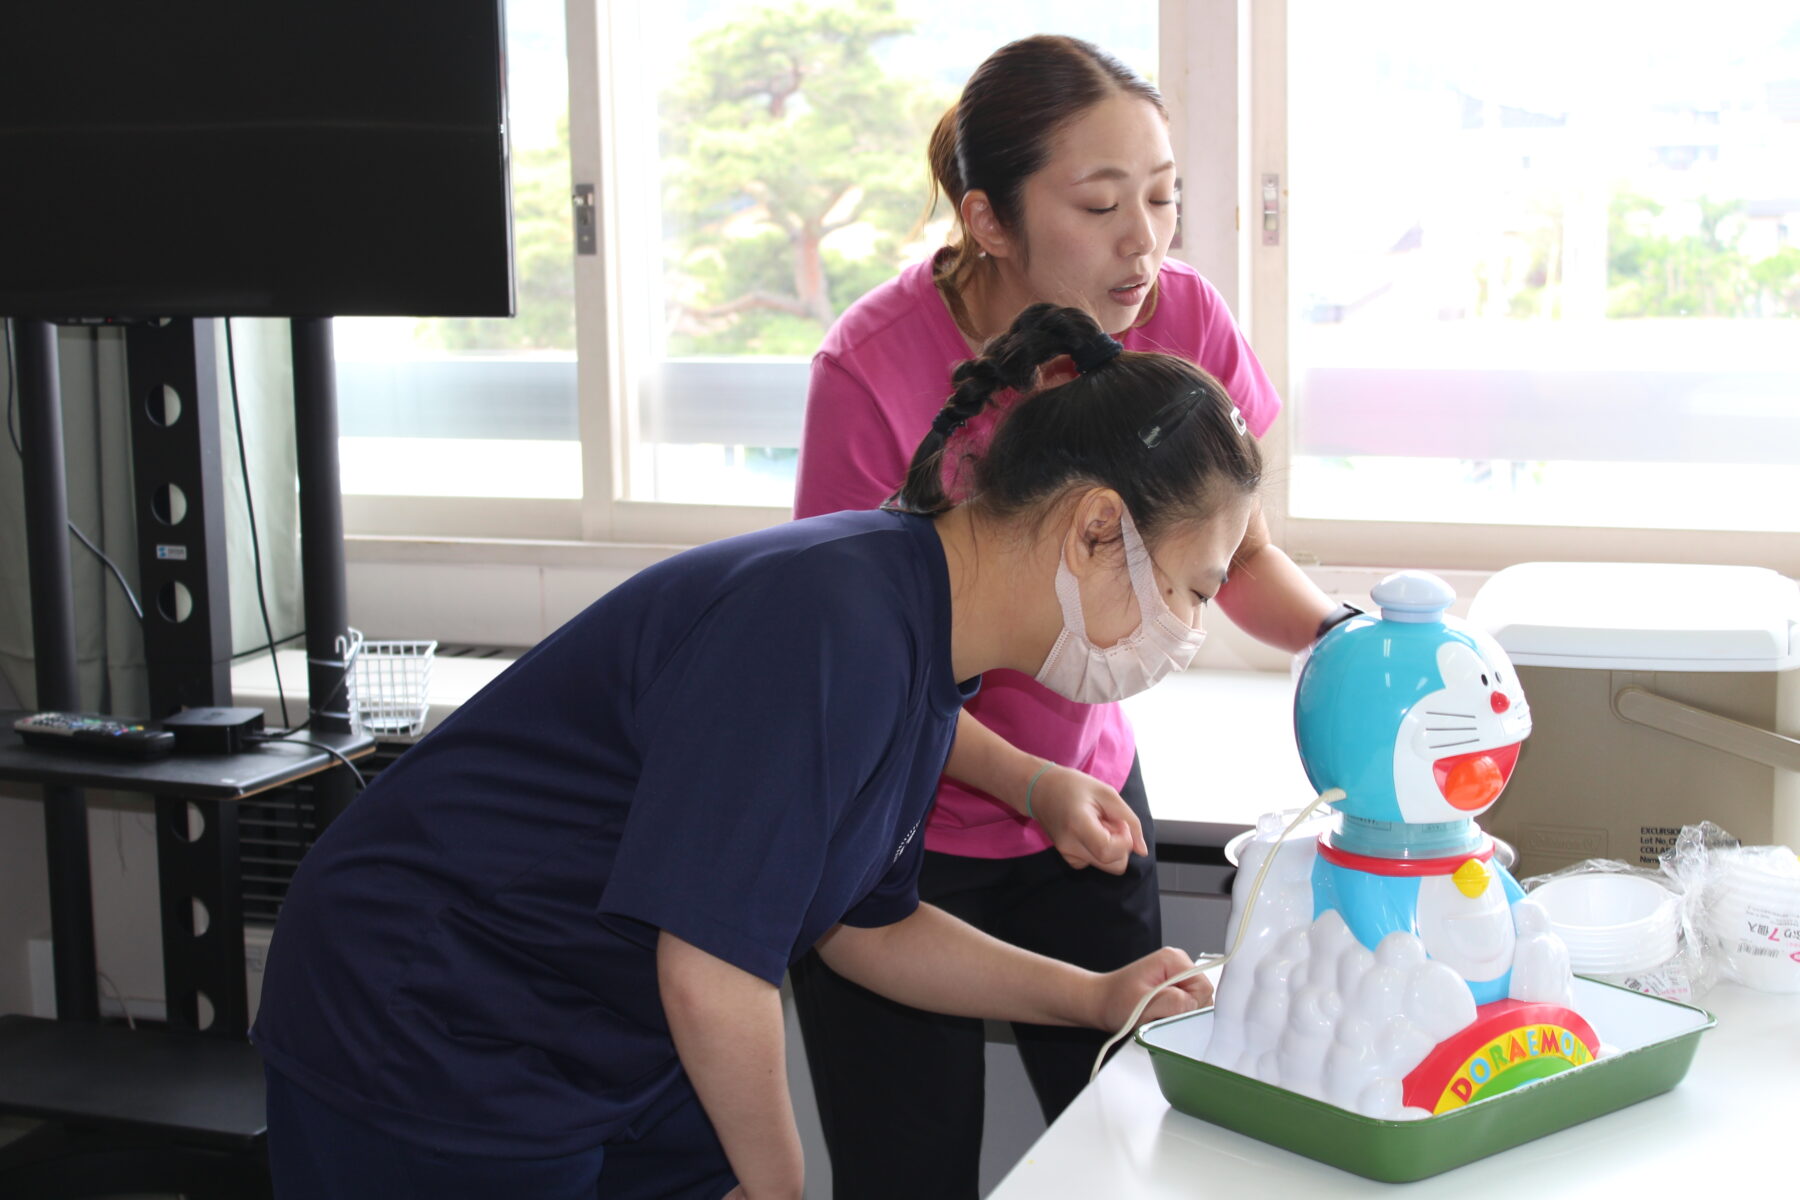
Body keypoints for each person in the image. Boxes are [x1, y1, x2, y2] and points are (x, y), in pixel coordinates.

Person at [250, 301, 1262, 1200]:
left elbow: (864, 927)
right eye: (1192, 588)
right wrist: (777, 1182)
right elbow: (710, 965)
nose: (1185, 629)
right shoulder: (834, 623)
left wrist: (1092, 996)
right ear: (1095, 529)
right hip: (433, 1012)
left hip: (606, 1023)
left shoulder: (919, 644)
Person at [792, 34, 1342, 1197]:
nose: (1142, 241)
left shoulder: (1182, 319)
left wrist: (1349, 644)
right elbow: (852, 669)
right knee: (909, 1171)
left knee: (1150, 1153)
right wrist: (1024, 781)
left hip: (1087, 819)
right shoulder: (873, 372)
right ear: (988, 220)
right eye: (1099, 206)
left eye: (1162, 197)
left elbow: (1231, 551)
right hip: (900, 818)